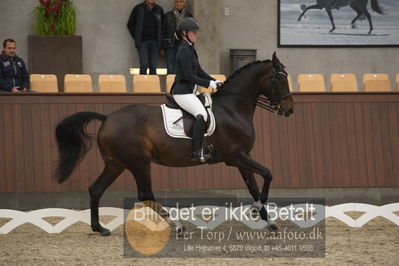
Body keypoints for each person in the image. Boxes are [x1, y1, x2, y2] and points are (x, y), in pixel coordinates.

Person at [171, 18, 223, 163]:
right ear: (184, 33)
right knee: (201, 114)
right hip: (182, 92)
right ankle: (196, 151)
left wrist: (213, 80)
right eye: (194, 32)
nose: (196, 35)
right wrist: (209, 84)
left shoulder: (190, 48)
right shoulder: (183, 50)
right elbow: (189, 76)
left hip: (191, 91)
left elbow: (199, 71)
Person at [127, 0, 164, 75]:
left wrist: (161, 43)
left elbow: (162, 26)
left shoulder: (159, 9)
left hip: (155, 43)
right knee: (144, 65)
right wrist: (137, 36)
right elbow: (130, 24)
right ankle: (142, 85)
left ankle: (152, 86)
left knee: (153, 67)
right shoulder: (138, 8)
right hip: (143, 42)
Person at [163, 0, 192, 74]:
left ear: (184, 3)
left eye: (181, 1)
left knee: (184, 69)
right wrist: (161, 47)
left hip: (184, 46)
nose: (178, 3)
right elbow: (163, 32)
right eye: (176, 1)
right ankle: (171, 85)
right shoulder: (167, 15)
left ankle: (182, 85)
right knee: (171, 69)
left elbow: (191, 33)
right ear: (174, 3)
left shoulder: (189, 16)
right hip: (170, 46)